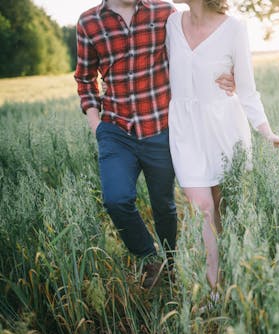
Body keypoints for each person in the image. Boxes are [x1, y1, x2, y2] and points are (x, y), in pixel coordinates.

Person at [74, 0, 234, 289]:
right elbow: (85, 79)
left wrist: (228, 75)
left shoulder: (165, 13)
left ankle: (170, 266)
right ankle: (150, 257)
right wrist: (97, 124)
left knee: (164, 205)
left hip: (160, 126)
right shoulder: (88, 22)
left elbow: (193, 53)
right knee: (116, 199)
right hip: (115, 130)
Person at [166, 0, 279, 293]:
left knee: (225, 210)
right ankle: (214, 288)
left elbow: (248, 89)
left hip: (225, 129)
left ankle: (239, 279)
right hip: (186, 132)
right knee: (203, 208)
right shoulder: (171, 24)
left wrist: (268, 133)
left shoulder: (235, 29)